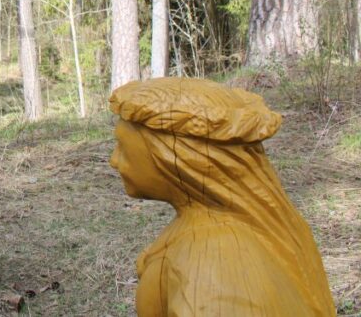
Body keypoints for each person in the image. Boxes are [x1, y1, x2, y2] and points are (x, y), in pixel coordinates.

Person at [109, 78, 336, 316]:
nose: (114, 161)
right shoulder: (201, 229)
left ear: (173, 157)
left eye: (122, 147)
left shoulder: (213, 260)